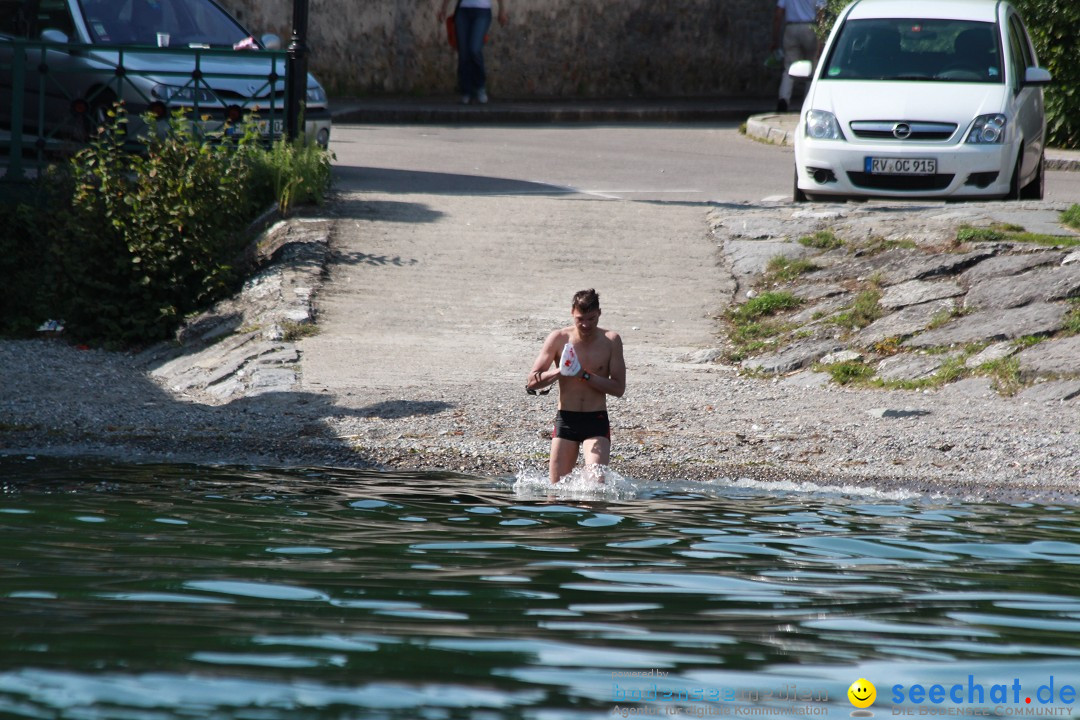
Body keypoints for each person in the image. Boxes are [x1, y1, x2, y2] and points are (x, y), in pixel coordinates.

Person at [525, 289, 626, 484]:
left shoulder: (611, 341)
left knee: (595, 486)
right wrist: (559, 371)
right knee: (555, 492)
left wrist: (584, 375)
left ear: (599, 313)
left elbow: (618, 388)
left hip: (595, 420)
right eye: (581, 319)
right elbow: (532, 381)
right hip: (566, 420)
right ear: (572, 312)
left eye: (592, 318)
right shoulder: (558, 338)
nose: (586, 324)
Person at [436, 0, 509, 105]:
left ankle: (480, 87)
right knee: (463, 53)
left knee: (474, 49)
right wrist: (443, 9)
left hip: (482, 11)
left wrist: (502, 10)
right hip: (463, 11)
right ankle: (466, 91)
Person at [772, 0, 825, 112]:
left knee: (789, 67)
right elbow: (821, 14)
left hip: (791, 27)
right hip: (810, 28)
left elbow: (778, 14)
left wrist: (775, 39)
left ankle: (783, 99)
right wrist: (821, 41)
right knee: (812, 68)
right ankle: (808, 102)